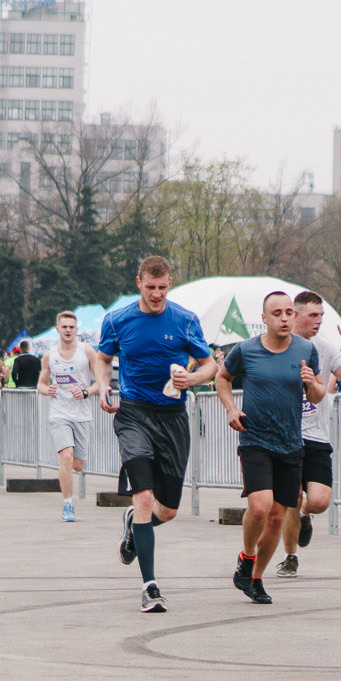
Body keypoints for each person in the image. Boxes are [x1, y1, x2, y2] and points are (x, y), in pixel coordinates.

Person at [95, 255, 217, 614]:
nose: (157, 294)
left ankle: (134, 526)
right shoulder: (117, 321)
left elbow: (209, 364)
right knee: (144, 497)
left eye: (163, 288)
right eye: (151, 288)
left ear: (170, 284)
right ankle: (150, 586)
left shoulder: (185, 320)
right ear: (138, 283)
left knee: (167, 510)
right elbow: (103, 358)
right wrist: (103, 386)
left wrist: (192, 379)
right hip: (133, 415)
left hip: (172, 419)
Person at [215, 291, 324, 606]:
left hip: (291, 443)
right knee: (260, 507)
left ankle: (256, 579)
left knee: (277, 517)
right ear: (264, 318)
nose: (285, 318)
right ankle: (246, 558)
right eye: (277, 313)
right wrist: (231, 409)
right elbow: (223, 378)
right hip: (255, 440)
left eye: (289, 312)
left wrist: (313, 383)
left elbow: (316, 396)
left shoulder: (306, 350)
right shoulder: (246, 350)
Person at [274, 291, 341, 577]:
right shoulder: (278, 345)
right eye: (313, 315)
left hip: (316, 435)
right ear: (295, 316)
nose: (319, 321)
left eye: (321, 315)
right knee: (289, 497)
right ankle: (290, 556)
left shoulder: (323, 347)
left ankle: (303, 515)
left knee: (320, 501)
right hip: (285, 437)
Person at [37, 313, 107, 519]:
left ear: (77, 330)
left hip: (82, 414)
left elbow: (100, 380)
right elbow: (40, 383)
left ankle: (73, 473)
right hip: (59, 413)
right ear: (57, 329)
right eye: (64, 327)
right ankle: (68, 505)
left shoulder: (87, 352)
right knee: (66, 457)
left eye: (71, 327)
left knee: (78, 464)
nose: (68, 330)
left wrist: (86, 392)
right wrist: (46, 390)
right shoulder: (50, 355)